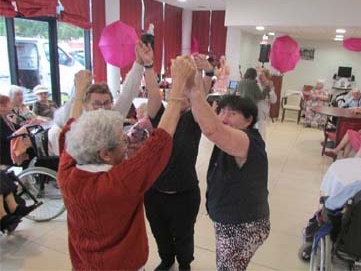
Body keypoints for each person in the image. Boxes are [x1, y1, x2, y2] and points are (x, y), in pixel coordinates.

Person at [57, 55, 197, 270]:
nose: (126, 140)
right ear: (105, 154)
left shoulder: (66, 172)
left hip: (84, 263)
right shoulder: (121, 181)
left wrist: (79, 91)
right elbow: (160, 142)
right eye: (121, 140)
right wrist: (178, 85)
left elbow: (70, 127)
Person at [138, 42, 212, 271]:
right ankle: (167, 258)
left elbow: (200, 95)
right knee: (159, 231)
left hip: (184, 193)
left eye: (187, 98)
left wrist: (205, 72)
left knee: (184, 234)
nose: (183, 100)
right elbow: (152, 93)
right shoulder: (159, 114)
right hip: (155, 192)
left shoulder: (193, 120)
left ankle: (184, 264)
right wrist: (149, 65)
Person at [188, 79, 270, 270]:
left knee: (228, 268)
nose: (224, 118)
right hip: (231, 220)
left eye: (232, 114)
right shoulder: (229, 137)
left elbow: (211, 128)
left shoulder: (246, 140)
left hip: (243, 225)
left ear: (248, 120)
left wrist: (192, 88)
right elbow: (208, 121)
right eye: (222, 111)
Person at [257, 68, 277, 138]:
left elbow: (274, 100)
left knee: (261, 134)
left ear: (266, 77)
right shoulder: (256, 85)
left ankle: (260, 148)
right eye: (258, 75)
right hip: (255, 112)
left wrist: (271, 90)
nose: (259, 77)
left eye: (261, 75)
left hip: (263, 113)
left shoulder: (269, 86)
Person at [0, 95, 19, 166]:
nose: (11, 105)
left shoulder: (5, 117)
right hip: (5, 153)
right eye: (9, 103)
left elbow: (15, 127)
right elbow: (8, 136)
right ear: (1, 107)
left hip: (10, 146)